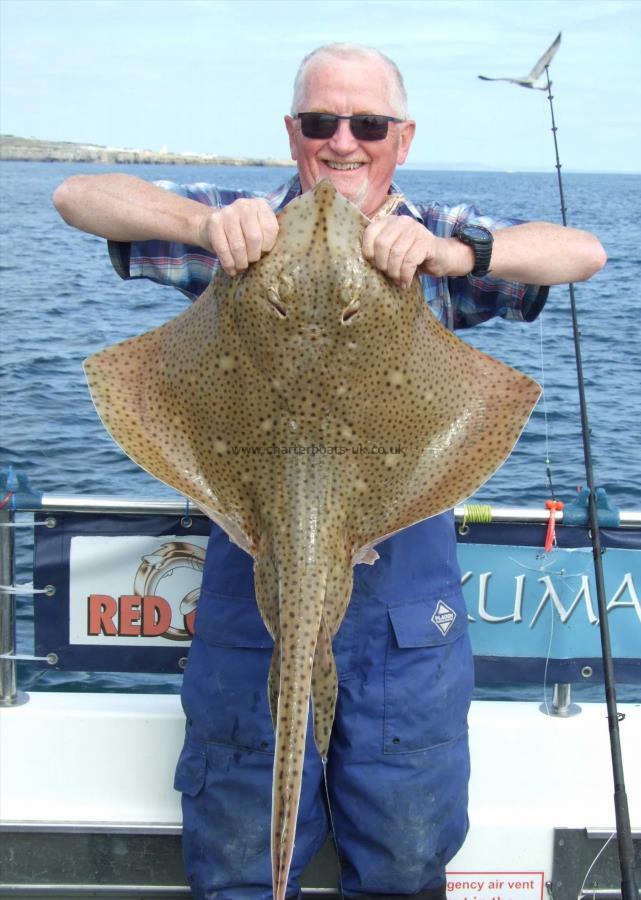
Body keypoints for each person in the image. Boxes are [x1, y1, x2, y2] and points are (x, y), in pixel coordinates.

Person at [53, 43, 606, 900]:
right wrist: (205, 227)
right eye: (321, 122)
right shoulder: (237, 231)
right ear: (293, 132)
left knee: (405, 852)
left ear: (401, 137)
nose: (343, 141)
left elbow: (581, 253)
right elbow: (76, 196)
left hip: (403, 622)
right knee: (241, 855)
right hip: (253, 572)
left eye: (367, 124)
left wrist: (458, 255)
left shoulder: (432, 237)